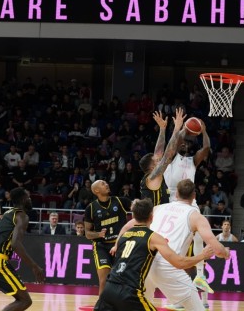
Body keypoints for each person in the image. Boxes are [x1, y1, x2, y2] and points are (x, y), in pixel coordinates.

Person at [115, 179, 229, 311]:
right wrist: (225, 253)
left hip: (145, 263)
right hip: (168, 266)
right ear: (194, 196)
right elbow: (217, 250)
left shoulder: (158, 208)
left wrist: (116, 245)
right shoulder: (196, 216)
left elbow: (127, 227)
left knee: (143, 306)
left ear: (176, 195)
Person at [93, 198, 214, 311]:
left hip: (109, 290)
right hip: (129, 293)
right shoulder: (153, 237)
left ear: (133, 216)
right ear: (152, 217)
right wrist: (202, 255)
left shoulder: (124, 236)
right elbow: (179, 262)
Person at [163, 116, 213, 302]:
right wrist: (183, 130)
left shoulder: (193, 161)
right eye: (181, 145)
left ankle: (200, 274)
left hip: (189, 199)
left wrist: (204, 131)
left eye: (186, 145)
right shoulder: (170, 157)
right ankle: (174, 278)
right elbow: (174, 143)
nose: (183, 146)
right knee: (177, 241)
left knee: (200, 233)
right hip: (172, 199)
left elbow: (206, 148)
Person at [0, 187, 45, 311]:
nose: (30, 199)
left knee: (22, 300)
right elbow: (15, 244)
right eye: (28, 197)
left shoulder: (8, 212)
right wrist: (34, 266)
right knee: (25, 301)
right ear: (22, 199)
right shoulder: (22, 216)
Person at [84, 180, 132, 296]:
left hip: (120, 244)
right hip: (102, 246)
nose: (106, 184)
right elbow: (87, 233)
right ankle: (102, 306)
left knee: (124, 279)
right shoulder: (90, 208)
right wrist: (98, 234)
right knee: (104, 279)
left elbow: (139, 208)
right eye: (103, 183)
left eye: (106, 183)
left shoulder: (120, 201)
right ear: (96, 190)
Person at [139, 109, 186, 205]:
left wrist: (162, 129)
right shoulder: (153, 177)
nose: (159, 159)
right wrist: (176, 129)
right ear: (152, 167)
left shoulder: (151, 176)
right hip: (153, 217)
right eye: (157, 160)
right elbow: (167, 156)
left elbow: (159, 152)